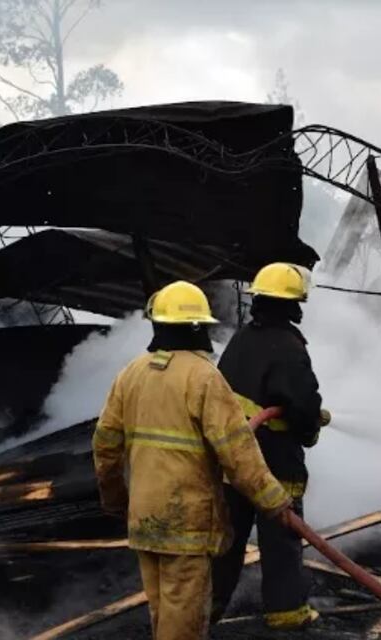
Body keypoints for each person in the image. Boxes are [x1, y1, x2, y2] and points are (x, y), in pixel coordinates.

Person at [92, 280, 293, 640]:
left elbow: (105, 447)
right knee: (183, 622)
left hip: (145, 518)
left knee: (162, 612)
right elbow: (238, 452)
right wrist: (274, 500)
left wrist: (116, 500)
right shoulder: (203, 378)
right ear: (197, 327)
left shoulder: (131, 374)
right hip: (186, 523)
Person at [211, 262, 326, 630]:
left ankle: (203, 612)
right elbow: (303, 403)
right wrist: (309, 429)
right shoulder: (289, 346)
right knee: (282, 537)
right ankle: (286, 613)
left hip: (234, 459)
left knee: (226, 542)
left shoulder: (242, 339)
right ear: (292, 303)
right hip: (275, 457)